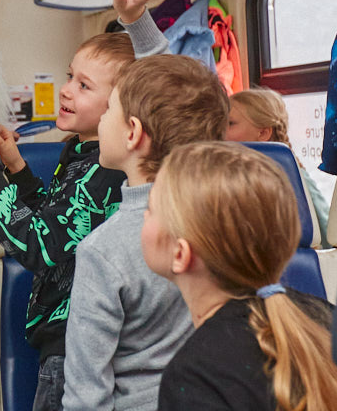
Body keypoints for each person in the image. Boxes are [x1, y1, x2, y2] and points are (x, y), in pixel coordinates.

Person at [0, 0, 172, 411]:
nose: (66, 91)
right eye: (70, 76)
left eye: (84, 86)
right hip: (63, 340)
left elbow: (40, 246)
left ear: (125, 113)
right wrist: (16, 169)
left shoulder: (108, 171)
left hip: (75, 347)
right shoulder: (81, 153)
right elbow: (56, 220)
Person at [144, 142, 337, 411]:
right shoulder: (332, 321)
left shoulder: (195, 377)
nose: (144, 215)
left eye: (150, 209)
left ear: (180, 254)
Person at [62, 53, 229, 411]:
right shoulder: (225, 224)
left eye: (109, 110)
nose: (102, 119)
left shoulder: (102, 250)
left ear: (133, 133)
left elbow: (86, 395)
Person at [225, 88, 329, 245]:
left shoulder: (294, 177)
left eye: (230, 124)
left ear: (263, 133)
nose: (220, 131)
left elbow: (327, 234)